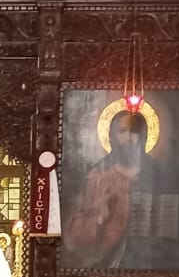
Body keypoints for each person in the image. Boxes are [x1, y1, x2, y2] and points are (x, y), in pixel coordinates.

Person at [64, 110, 157, 268]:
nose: (128, 138)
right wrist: (100, 217)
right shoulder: (97, 176)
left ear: (143, 136)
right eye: (122, 131)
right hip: (106, 263)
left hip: (149, 260)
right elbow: (73, 238)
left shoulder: (157, 173)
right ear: (113, 136)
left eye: (134, 131)